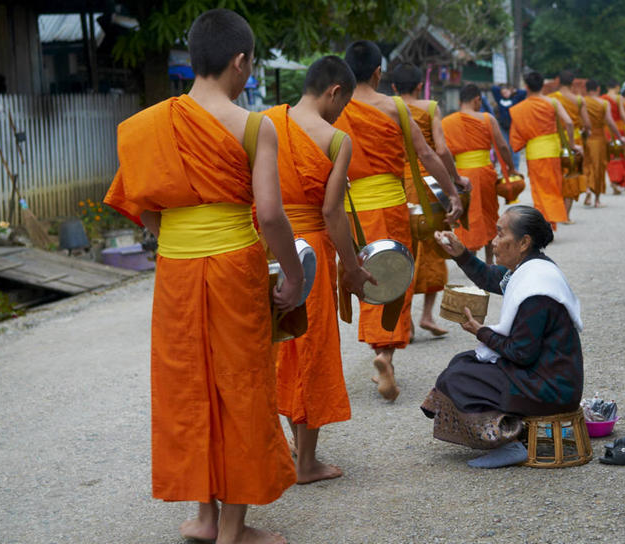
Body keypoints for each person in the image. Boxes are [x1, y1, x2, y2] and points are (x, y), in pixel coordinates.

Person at [104, 9, 300, 544]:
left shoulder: (150, 125)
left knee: (189, 386)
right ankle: (234, 529)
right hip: (236, 267)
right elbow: (273, 213)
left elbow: (138, 204)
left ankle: (205, 518)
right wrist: (295, 275)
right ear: (241, 63)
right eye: (251, 64)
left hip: (176, 272)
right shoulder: (255, 127)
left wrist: (180, 231)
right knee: (241, 386)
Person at [334, 40, 463, 401]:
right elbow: (427, 154)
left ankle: (379, 351)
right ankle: (384, 354)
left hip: (352, 210)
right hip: (391, 204)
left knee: (365, 275)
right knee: (394, 276)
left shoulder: (337, 109)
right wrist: (452, 192)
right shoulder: (394, 109)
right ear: (378, 72)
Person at [268, 56, 375, 485]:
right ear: (334, 92)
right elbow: (332, 212)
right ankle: (307, 463)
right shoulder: (336, 139)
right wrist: (350, 267)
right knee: (309, 348)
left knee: (277, 345)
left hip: (267, 247)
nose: (341, 113)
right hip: (309, 250)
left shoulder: (264, 125)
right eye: (343, 103)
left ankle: (283, 445)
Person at [421, 205, 584, 469]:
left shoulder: (536, 290)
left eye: (500, 235)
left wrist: (481, 331)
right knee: (464, 362)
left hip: (552, 387)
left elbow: (521, 353)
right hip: (545, 374)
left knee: (459, 379)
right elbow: (489, 277)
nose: (494, 242)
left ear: (523, 242)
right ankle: (512, 432)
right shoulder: (530, 267)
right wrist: (461, 254)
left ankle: (508, 443)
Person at [391, 62, 467, 337]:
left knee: (401, 252)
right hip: (429, 185)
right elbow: (442, 150)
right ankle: (426, 315)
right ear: (420, 86)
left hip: (396, 187)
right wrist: (455, 180)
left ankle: (405, 321)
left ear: (394, 88)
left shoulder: (386, 110)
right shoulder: (430, 108)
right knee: (435, 248)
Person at [443, 83, 518, 264]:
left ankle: (470, 259)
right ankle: (489, 260)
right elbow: (502, 146)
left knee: (466, 217)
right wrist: (511, 167)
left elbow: (443, 152)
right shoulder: (486, 118)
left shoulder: (446, 122)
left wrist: (451, 176)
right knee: (489, 215)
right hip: (485, 174)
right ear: (477, 100)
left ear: (460, 100)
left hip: (461, 176)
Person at [509, 71, 577, 230]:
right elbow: (569, 123)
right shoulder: (552, 102)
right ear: (542, 86)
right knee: (553, 187)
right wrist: (572, 145)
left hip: (534, 152)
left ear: (526, 87)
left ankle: (545, 223)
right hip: (552, 150)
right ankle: (550, 222)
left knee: (539, 191)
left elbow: (516, 137)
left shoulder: (520, 108)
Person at [548, 70, 590, 222]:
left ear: (558, 82)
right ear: (573, 83)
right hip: (575, 141)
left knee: (556, 177)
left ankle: (554, 212)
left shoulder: (551, 99)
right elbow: (587, 123)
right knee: (571, 176)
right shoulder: (579, 100)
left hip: (556, 142)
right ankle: (566, 215)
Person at [583, 79, 625, 208]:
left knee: (587, 166)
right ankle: (597, 200)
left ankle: (587, 190)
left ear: (586, 89)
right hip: (600, 138)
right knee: (599, 167)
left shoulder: (582, 102)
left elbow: (581, 121)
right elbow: (610, 122)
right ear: (597, 89)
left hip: (586, 137)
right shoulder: (604, 103)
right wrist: (619, 137)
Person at [601, 80, 625, 195]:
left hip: (606, 130)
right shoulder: (619, 98)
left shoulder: (602, 98)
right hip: (619, 130)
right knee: (621, 156)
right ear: (617, 87)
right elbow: (623, 115)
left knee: (611, 156)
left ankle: (613, 180)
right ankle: (617, 182)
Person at [491, 83, 527, 172]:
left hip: (513, 126)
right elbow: (493, 89)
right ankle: (505, 167)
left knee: (514, 147)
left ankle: (515, 168)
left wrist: (513, 90)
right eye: (503, 93)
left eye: (506, 92)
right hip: (503, 127)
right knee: (505, 146)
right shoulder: (500, 100)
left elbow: (523, 92)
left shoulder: (515, 99)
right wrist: (501, 87)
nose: (505, 94)